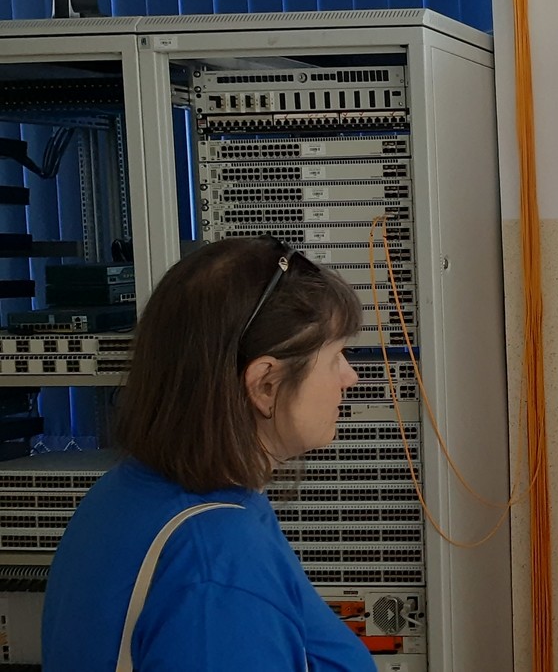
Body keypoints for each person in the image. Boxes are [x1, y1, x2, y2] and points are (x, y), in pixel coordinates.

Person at [42, 236, 375, 671]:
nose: (350, 377)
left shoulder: (129, 492)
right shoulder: (215, 560)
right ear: (265, 385)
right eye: (335, 356)